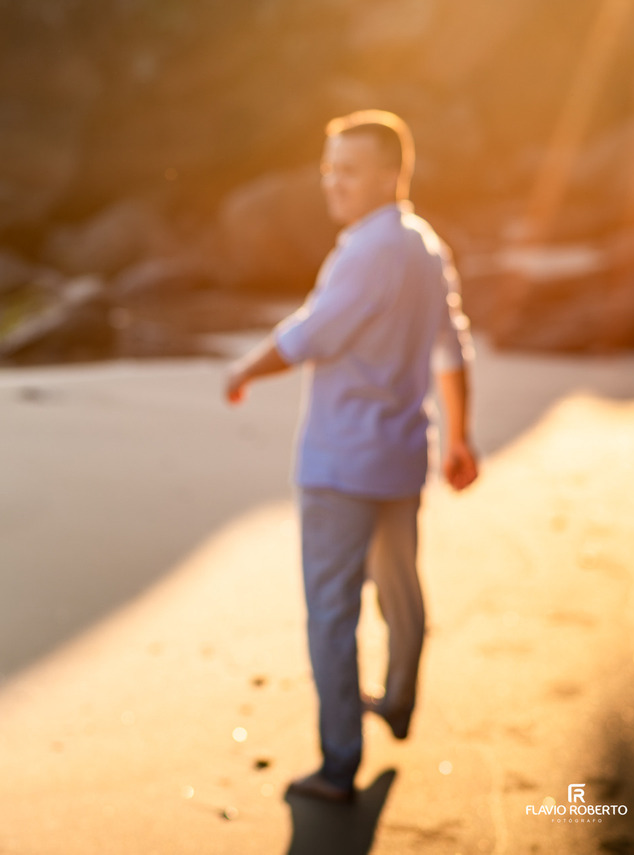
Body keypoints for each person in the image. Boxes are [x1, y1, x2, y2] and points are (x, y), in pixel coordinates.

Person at [224, 110, 478, 803]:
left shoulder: (367, 250)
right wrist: (460, 435)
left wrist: (243, 368)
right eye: (329, 168)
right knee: (399, 586)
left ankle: (339, 765)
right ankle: (397, 699)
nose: (335, 181)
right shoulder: (427, 247)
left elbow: (309, 335)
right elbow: (453, 349)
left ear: (391, 173)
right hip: (401, 460)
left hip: (341, 465)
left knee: (332, 611)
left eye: (351, 169)